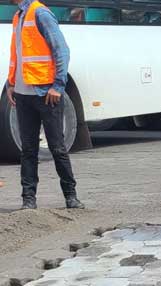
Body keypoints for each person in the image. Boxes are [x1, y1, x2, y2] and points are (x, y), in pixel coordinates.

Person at [6, 0, 84, 210]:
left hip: (44, 93)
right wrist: (11, 83)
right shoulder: (18, 16)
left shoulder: (40, 13)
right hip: (23, 95)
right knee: (28, 150)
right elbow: (18, 55)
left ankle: (71, 197)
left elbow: (62, 51)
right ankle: (28, 200)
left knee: (57, 148)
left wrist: (58, 86)